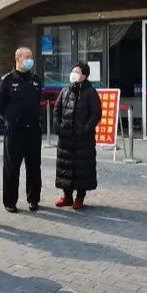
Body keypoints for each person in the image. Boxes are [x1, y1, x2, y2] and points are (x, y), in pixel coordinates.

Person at [0, 46, 44, 213]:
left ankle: (33, 199)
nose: (30, 60)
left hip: (33, 130)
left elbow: (38, 102)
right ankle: (10, 202)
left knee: (34, 167)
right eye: (27, 57)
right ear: (17, 59)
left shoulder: (36, 79)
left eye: (31, 57)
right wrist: (6, 124)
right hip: (15, 131)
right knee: (12, 168)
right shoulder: (7, 80)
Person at [53, 62, 101, 209]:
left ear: (84, 75)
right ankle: (67, 196)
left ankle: (80, 197)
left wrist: (85, 130)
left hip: (83, 139)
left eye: (77, 72)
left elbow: (96, 114)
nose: (74, 74)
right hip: (65, 137)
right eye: (73, 71)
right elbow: (57, 110)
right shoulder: (65, 90)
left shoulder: (91, 92)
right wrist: (58, 127)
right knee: (65, 167)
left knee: (82, 168)